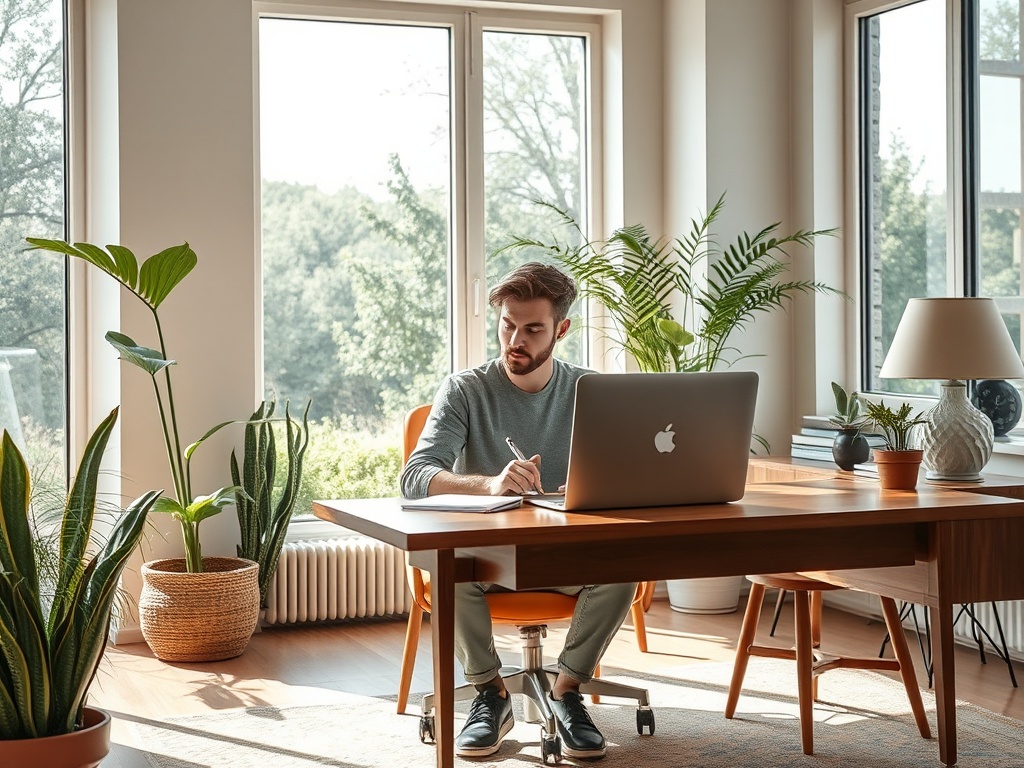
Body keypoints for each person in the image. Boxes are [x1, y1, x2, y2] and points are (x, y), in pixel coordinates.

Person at [400, 262, 637, 760]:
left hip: (563, 554)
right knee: (448, 565)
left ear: (562, 330)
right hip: (485, 559)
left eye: (532, 329)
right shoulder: (465, 390)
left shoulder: (591, 391)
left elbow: (627, 477)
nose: (516, 339)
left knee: (622, 569)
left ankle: (568, 691)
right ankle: (490, 692)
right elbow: (416, 476)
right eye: (508, 324)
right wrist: (488, 484)